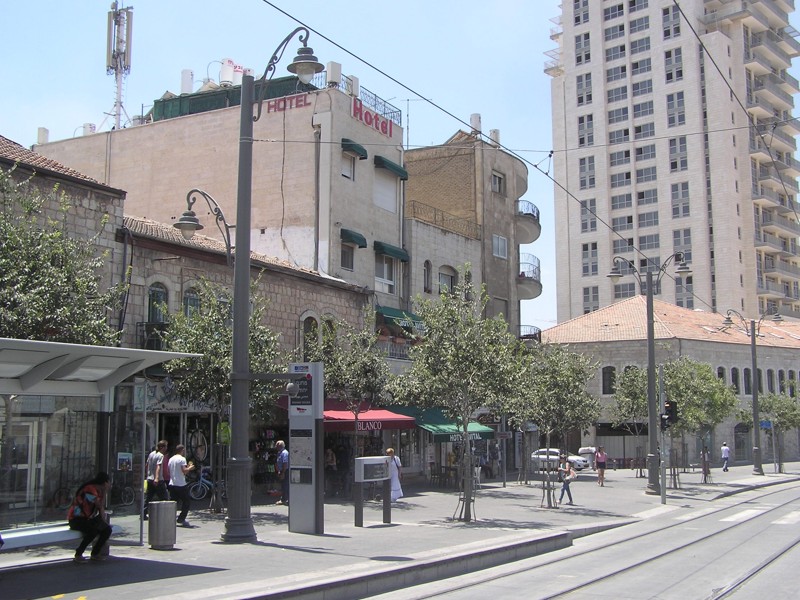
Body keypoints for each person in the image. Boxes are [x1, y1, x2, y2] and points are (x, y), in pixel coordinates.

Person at [68, 472, 113, 563]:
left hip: (86, 519)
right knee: (93, 531)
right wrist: (105, 491)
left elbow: (101, 508)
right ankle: (78, 554)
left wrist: (104, 523)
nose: (110, 485)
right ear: (104, 483)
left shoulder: (99, 491)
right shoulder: (89, 489)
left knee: (107, 530)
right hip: (76, 519)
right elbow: (99, 504)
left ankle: (95, 553)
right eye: (109, 482)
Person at [168, 444, 195, 527]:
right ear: (182, 450)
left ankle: (170, 519)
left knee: (173, 502)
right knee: (186, 501)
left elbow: (169, 470)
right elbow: (184, 471)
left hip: (172, 483)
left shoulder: (171, 459)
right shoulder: (182, 459)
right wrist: (190, 468)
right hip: (180, 484)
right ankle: (181, 519)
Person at [144, 440, 169, 519]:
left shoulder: (151, 454)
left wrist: (147, 474)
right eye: (165, 446)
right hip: (158, 480)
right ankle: (165, 514)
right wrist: (157, 478)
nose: (166, 448)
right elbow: (158, 466)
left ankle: (143, 513)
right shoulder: (160, 455)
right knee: (164, 497)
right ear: (162, 447)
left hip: (149, 478)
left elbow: (146, 465)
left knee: (149, 497)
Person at [275, 440, 289, 505]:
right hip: (281, 471)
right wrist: (278, 471)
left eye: (276, 445)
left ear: (280, 446)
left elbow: (285, 463)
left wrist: (283, 473)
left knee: (285, 485)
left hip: (285, 471)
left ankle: (285, 499)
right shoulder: (279, 453)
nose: (275, 446)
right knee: (283, 485)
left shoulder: (284, 453)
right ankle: (284, 498)